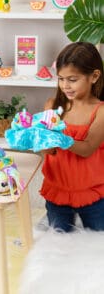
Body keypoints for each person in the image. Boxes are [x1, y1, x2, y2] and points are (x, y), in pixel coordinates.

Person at [40, 42, 104, 232]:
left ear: (94, 76)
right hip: (57, 189)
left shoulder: (100, 111)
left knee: (97, 243)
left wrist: (59, 137)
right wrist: (37, 136)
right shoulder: (52, 105)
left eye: (72, 79)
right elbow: (48, 151)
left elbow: (87, 149)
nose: (65, 86)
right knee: (58, 240)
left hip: (92, 192)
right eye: (60, 79)